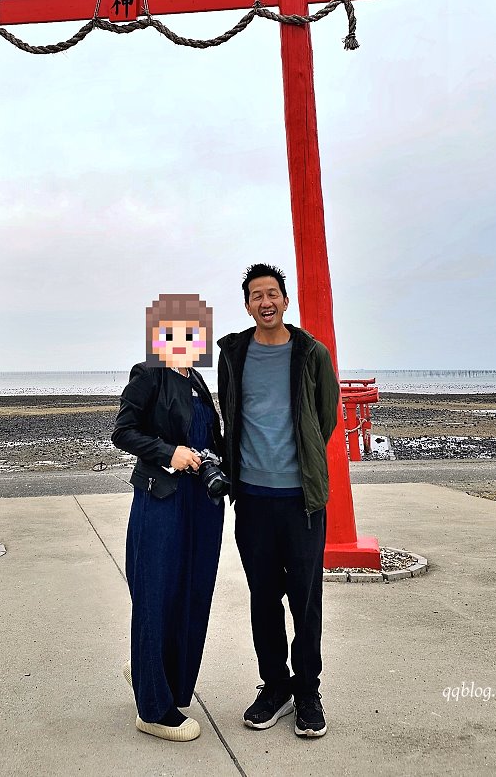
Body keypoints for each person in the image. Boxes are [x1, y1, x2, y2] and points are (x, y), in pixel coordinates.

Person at [217, 263, 339, 739]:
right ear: (247, 305)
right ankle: (275, 686)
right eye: (255, 296)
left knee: (305, 600)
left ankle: (308, 691)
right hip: (251, 498)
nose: (265, 302)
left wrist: (299, 462)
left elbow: (325, 418)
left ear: (285, 301)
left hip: (301, 500)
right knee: (263, 597)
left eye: (273, 294)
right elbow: (228, 411)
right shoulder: (233, 352)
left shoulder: (311, 353)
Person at [111, 293, 226, 742]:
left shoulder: (196, 380)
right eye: (173, 329)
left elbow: (205, 435)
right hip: (162, 499)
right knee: (156, 595)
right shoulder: (150, 374)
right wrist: (169, 453)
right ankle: (153, 710)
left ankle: (167, 683)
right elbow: (123, 431)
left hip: (201, 505)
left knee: (192, 594)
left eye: (193, 329)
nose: (184, 337)